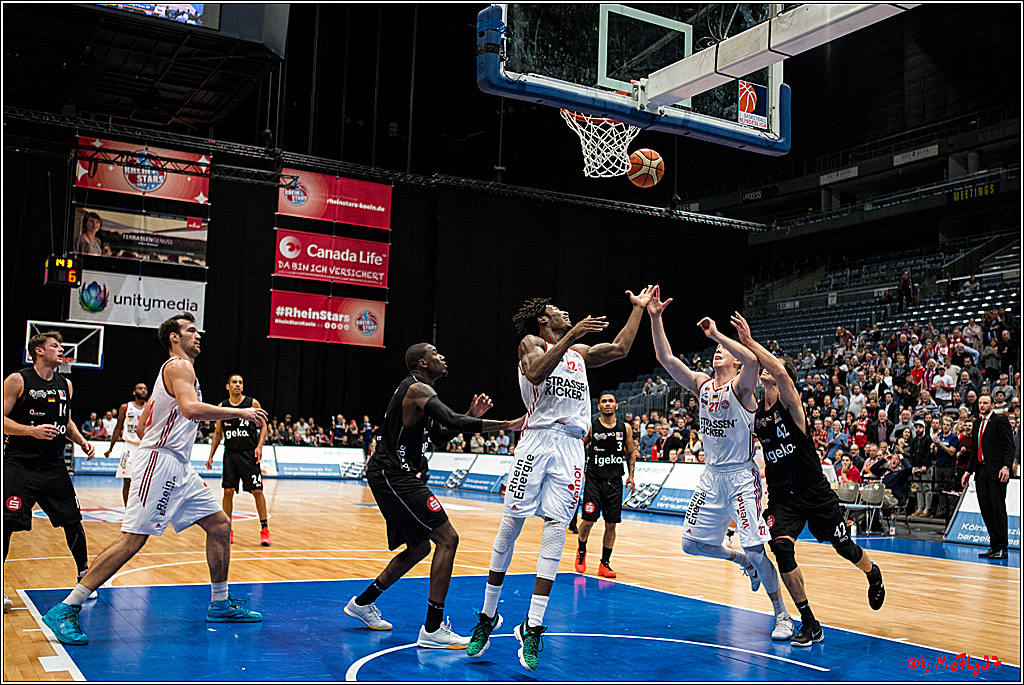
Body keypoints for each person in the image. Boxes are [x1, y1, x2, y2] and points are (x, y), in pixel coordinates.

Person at [41, 313, 268, 645]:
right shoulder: (178, 367)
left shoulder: (175, 371)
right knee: (133, 540)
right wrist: (239, 412)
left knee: (220, 525)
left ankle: (219, 603)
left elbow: (145, 423)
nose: (198, 334)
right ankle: (67, 608)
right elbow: (190, 409)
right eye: (190, 330)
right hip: (159, 463)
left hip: (177, 463)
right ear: (174, 338)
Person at [466, 287, 652, 671]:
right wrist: (573, 334)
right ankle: (487, 616)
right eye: (558, 311)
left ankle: (532, 626)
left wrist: (638, 310)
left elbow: (618, 348)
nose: (566, 313)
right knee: (511, 524)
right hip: (536, 441)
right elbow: (535, 372)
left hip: (570, 448)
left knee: (555, 530)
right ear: (543, 319)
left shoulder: (578, 355)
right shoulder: (531, 344)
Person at [345, 343, 521, 648]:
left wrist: (470, 415)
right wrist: (507, 425)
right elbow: (452, 421)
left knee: (418, 548)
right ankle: (432, 628)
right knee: (447, 538)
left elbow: (439, 434)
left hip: (392, 474)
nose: (442, 357)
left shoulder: (420, 393)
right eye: (435, 354)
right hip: (392, 475)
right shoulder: (416, 389)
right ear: (423, 363)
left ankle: (362, 603)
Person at [731, 312, 885, 648]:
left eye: (775, 370)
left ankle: (873, 573)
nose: (770, 374)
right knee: (781, 549)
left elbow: (779, 370)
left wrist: (749, 342)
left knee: (844, 548)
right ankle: (809, 621)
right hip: (785, 498)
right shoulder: (757, 413)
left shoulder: (792, 407)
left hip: (815, 493)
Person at [645, 290, 790, 640]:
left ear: (735, 361)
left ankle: (782, 614)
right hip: (711, 476)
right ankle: (740, 563)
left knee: (757, 547)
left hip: (741, 476)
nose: (717, 351)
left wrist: (717, 334)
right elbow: (665, 358)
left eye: (723, 350)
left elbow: (754, 363)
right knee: (690, 544)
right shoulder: (702, 385)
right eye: (715, 349)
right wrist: (655, 317)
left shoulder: (743, 387)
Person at [4, 332, 97, 614]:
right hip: (20, 465)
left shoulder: (65, 385)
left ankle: (85, 577)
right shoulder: (18, 380)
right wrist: (30, 431)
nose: (61, 349)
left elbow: (65, 421)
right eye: (55, 346)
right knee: (6, 524)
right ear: (38, 351)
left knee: (73, 520)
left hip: (53, 466)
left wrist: (80, 440)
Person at [574, 393, 638, 578]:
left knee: (611, 525)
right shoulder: (592, 426)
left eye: (611, 401)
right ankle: (581, 552)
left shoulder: (625, 428)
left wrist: (631, 476)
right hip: (594, 481)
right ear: (599, 406)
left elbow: (631, 453)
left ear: (616, 405)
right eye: (604, 401)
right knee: (588, 521)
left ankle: (605, 564)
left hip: (615, 482)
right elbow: (579, 448)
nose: (608, 404)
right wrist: (577, 471)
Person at [205, 375, 270, 547]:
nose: (237, 385)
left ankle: (264, 529)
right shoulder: (223, 406)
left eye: (240, 382)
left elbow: (264, 425)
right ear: (227, 386)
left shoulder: (252, 403)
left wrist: (260, 446)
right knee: (228, 491)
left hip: (249, 453)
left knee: (257, 491)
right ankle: (228, 530)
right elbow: (218, 433)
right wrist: (211, 455)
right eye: (234, 382)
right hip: (231, 454)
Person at [962, 395, 1014, 560]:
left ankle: (1002, 547)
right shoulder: (977, 423)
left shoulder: (1000, 421)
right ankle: (993, 545)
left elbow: (1009, 446)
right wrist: (968, 471)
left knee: (998, 508)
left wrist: (1006, 467)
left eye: (985, 403)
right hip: (981, 471)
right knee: (985, 509)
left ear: (992, 404)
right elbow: (974, 451)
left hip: (996, 471)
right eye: (980, 403)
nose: (982, 405)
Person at [103, 383, 149, 506]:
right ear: (134, 392)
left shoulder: (150, 408)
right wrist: (110, 448)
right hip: (129, 446)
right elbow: (118, 428)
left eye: (145, 389)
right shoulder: (125, 407)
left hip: (144, 447)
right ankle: (128, 510)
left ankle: (141, 508)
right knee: (127, 480)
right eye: (140, 388)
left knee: (144, 481)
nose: (143, 390)